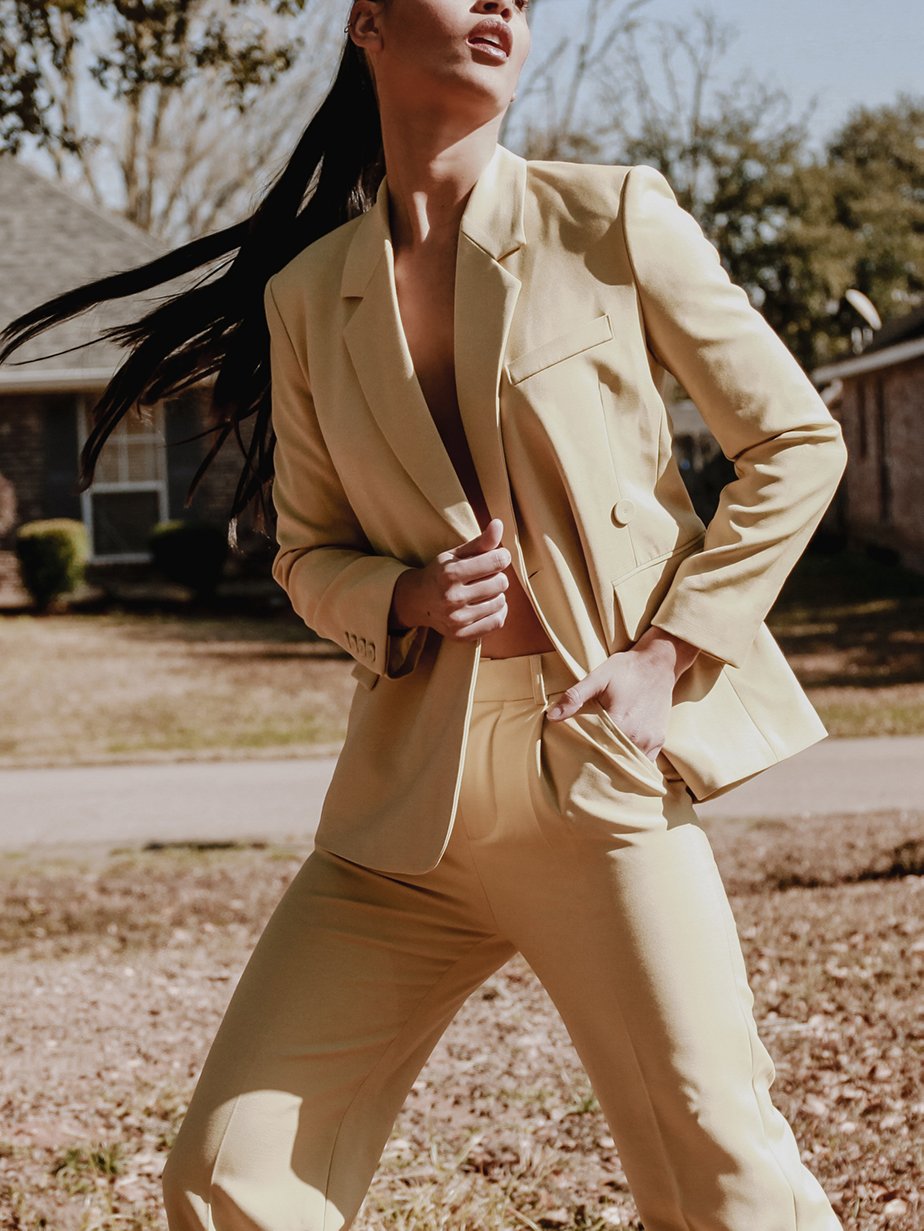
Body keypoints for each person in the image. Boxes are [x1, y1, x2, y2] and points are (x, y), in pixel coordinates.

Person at [0, 2, 849, 1228]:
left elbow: (796, 441)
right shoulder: (307, 296)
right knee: (230, 1175)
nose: (505, 2)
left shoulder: (608, 217)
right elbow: (304, 552)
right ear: (370, 23)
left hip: (593, 778)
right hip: (403, 822)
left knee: (722, 1175)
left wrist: (673, 651)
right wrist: (400, 594)